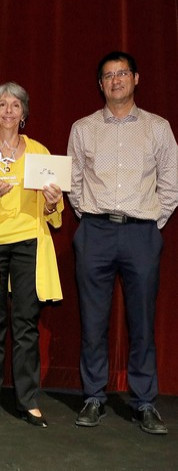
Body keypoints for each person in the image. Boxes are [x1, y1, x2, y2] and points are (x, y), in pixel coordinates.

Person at [68, 52, 177, 435]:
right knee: (93, 320)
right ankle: (94, 396)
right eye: (108, 76)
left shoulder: (158, 128)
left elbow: (170, 184)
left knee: (142, 320)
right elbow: (74, 182)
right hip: (95, 231)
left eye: (122, 73)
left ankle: (145, 401)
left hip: (141, 234)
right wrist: (90, 220)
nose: (116, 80)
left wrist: (150, 223)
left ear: (135, 78)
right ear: (100, 85)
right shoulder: (83, 128)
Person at [0, 82, 63, 428]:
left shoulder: (40, 152)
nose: (8, 111)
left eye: (15, 105)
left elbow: (55, 211)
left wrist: (52, 202)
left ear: (24, 114)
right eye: (2, 105)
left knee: (25, 325)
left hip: (28, 244)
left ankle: (27, 399)